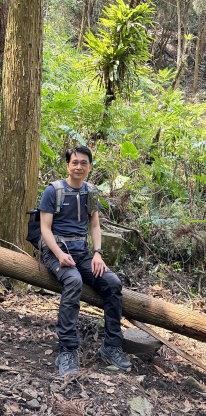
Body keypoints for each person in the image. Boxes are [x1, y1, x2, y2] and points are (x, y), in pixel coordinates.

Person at [39, 145, 131, 376]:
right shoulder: (53, 191)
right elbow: (45, 229)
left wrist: (98, 253)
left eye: (83, 163)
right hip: (55, 251)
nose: (78, 166)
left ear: (89, 167)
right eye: (74, 162)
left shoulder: (90, 192)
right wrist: (59, 255)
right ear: (68, 165)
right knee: (73, 281)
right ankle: (67, 349)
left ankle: (111, 345)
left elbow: (95, 225)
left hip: (81, 252)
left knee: (112, 283)